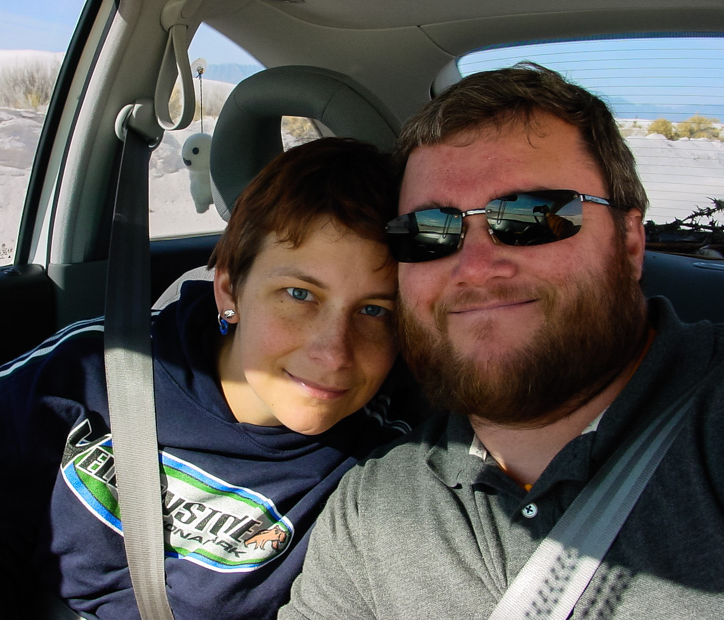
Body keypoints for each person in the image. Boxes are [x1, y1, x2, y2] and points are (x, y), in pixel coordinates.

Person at [0, 137, 425, 620]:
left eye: (374, 311)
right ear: (229, 289)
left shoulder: (377, 469)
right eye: (299, 295)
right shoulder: (96, 370)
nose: (334, 350)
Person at [280, 64, 724, 619]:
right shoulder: (368, 508)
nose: (475, 268)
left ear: (630, 242)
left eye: (532, 215)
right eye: (428, 231)